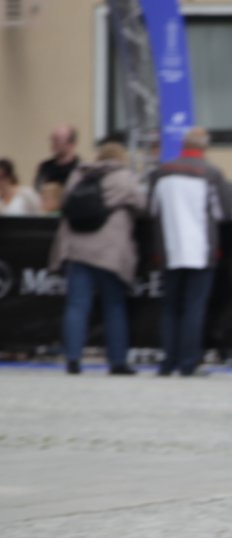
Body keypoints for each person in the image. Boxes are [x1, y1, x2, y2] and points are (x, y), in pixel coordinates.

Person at [51, 139, 144, 375]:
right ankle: (117, 361)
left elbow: (65, 204)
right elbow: (143, 205)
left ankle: (73, 359)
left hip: (77, 249)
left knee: (76, 305)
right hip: (110, 252)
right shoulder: (124, 177)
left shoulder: (77, 175)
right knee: (114, 305)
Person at [147, 127, 229, 377]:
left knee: (170, 307)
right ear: (205, 147)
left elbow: (151, 210)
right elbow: (223, 213)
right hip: (200, 249)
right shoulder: (211, 173)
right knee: (194, 307)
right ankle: (188, 362)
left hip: (169, 248)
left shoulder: (161, 172)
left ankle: (168, 361)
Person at [34, 125, 80, 193]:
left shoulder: (80, 170)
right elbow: (38, 190)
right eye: (52, 139)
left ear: (70, 143)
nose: (53, 143)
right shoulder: (45, 168)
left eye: (57, 140)